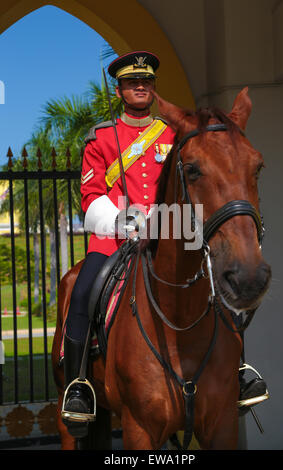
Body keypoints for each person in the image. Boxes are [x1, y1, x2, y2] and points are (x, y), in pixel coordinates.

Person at [61, 51, 268, 437]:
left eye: (146, 81)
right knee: (83, 289)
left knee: (220, 282)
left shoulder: (175, 133)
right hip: (114, 235)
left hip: (172, 232)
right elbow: (90, 196)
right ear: (120, 89)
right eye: (131, 82)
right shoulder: (102, 138)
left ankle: (238, 371)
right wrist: (123, 221)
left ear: (153, 88)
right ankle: (79, 387)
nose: (140, 87)